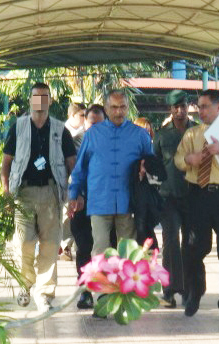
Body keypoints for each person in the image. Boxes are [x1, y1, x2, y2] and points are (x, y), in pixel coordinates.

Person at [0, 82, 77, 312]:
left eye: (45, 96)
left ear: (50, 100)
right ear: (31, 100)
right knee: (23, 243)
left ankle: (44, 294)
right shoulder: (19, 127)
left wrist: (74, 193)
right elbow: (6, 163)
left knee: (50, 245)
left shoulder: (60, 129)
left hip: (51, 193)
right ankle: (25, 285)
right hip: (23, 193)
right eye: (36, 96)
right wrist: (5, 192)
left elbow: (72, 164)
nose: (41, 100)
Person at [174, 89, 219, 322]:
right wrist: (189, 159)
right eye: (199, 106)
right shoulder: (191, 135)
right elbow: (178, 159)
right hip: (197, 195)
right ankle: (194, 293)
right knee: (194, 247)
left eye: (205, 106)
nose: (200, 110)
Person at [68, 90, 153, 257]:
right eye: (114, 107)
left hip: (128, 202)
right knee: (100, 252)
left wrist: (146, 167)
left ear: (128, 108)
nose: (118, 112)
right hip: (99, 201)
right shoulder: (92, 134)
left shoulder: (140, 134)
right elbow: (80, 168)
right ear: (106, 109)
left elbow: (153, 165)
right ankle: (102, 283)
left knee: (128, 253)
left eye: (122, 107)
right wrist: (74, 194)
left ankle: (124, 284)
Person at [153, 90, 197, 308]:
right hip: (168, 197)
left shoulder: (198, 130)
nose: (180, 111)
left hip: (193, 195)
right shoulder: (162, 135)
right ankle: (169, 291)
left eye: (183, 106)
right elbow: (154, 163)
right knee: (170, 244)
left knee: (191, 243)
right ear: (170, 109)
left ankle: (189, 290)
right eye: (175, 107)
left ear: (188, 106)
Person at [71, 104, 106, 309]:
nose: (95, 127)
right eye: (92, 122)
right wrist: (76, 195)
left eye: (99, 123)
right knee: (84, 248)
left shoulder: (111, 142)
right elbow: (74, 170)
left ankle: (104, 291)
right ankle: (85, 292)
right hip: (82, 204)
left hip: (105, 204)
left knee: (103, 249)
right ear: (85, 122)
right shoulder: (76, 142)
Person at [60, 102, 87, 261]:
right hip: (65, 179)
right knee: (66, 213)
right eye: (81, 115)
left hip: (81, 178)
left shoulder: (87, 132)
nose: (84, 118)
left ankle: (78, 244)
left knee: (80, 211)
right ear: (72, 115)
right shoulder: (61, 131)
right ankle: (66, 246)